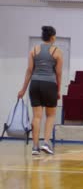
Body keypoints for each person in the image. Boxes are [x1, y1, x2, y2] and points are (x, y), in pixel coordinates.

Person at [18, 26, 63, 155]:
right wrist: (58, 90)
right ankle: (46, 143)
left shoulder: (34, 50)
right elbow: (59, 74)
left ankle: (35, 147)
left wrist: (23, 89)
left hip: (35, 84)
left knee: (37, 116)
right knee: (51, 115)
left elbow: (29, 70)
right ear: (53, 37)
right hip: (50, 85)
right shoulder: (57, 51)